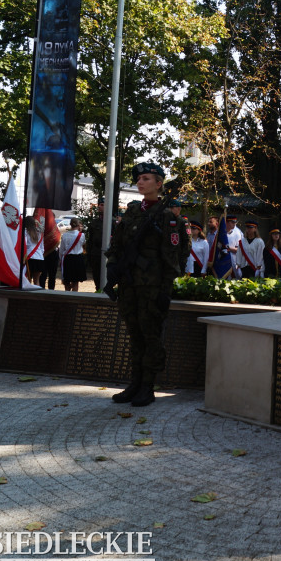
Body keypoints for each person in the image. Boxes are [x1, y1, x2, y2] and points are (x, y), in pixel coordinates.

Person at [104, 162, 189, 407]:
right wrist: (112, 267)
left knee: (151, 335)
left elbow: (173, 258)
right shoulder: (131, 212)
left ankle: (147, 386)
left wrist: (165, 290)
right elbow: (117, 246)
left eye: (146, 179)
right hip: (129, 284)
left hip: (152, 288)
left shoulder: (167, 218)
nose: (140, 182)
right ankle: (135, 382)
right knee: (134, 334)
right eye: (139, 178)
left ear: (159, 183)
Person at [58, 218, 86, 292]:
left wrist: (61, 259)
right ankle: (75, 297)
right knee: (75, 281)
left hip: (67, 259)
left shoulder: (64, 235)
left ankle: (67, 297)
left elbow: (61, 250)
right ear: (78, 225)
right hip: (78, 259)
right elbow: (83, 244)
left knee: (67, 280)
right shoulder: (82, 235)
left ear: (70, 225)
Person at [86, 197, 105, 285]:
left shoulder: (112, 222)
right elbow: (90, 241)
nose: (99, 207)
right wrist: (89, 255)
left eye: (102, 205)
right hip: (96, 254)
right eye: (99, 205)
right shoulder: (94, 222)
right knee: (96, 278)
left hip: (107, 255)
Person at [23, 215, 46, 286]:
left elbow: (24, 245)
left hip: (29, 257)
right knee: (37, 280)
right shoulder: (39, 233)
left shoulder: (25, 232)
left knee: (27, 279)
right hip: (39, 258)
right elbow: (42, 248)